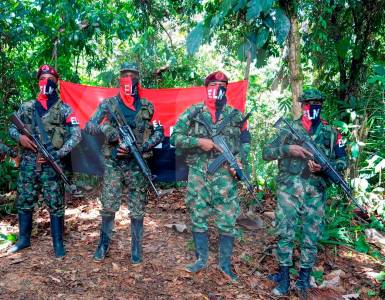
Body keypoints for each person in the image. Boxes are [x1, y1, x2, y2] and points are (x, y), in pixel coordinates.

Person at [263, 89, 348, 296]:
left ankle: (303, 280)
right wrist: (288, 149)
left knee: (311, 236)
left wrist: (324, 168)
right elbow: (267, 152)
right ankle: (283, 277)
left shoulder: (332, 132)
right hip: (289, 190)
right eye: (309, 103)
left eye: (317, 103)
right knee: (285, 232)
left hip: (315, 192)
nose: (313, 107)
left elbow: (343, 161)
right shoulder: (288, 129)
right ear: (301, 106)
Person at [170, 71, 251, 281]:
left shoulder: (235, 116)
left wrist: (240, 164)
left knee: (227, 219)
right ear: (207, 87)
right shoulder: (194, 111)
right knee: (198, 216)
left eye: (223, 84)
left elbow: (243, 145)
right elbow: (175, 137)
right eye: (214, 83)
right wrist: (199, 142)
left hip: (225, 175)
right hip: (198, 173)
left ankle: (224, 265)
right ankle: (201, 260)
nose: (218, 87)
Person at [85, 62, 164, 264]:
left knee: (138, 208)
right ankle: (103, 245)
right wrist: (110, 134)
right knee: (109, 206)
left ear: (138, 79)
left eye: (133, 75)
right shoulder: (108, 104)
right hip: (114, 163)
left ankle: (136, 248)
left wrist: (142, 147)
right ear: (120, 79)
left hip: (137, 165)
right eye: (125, 75)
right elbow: (90, 125)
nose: (129, 78)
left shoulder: (148, 106)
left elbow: (159, 133)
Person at [9, 64, 81, 258]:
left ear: (56, 82)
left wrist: (58, 154)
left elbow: (76, 135)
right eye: (42, 77)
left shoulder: (64, 109)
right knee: (25, 200)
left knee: (55, 203)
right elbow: (12, 128)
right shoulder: (27, 107)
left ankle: (58, 244)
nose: (46, 81)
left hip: (52, 164)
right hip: (29, 163)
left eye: (50, 78)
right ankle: (24, 239)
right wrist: (20, 138)